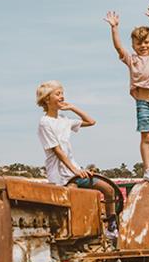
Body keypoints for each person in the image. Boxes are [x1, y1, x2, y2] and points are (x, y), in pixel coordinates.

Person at [36, 81, 117, 231]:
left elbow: (91, 121)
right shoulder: (45, 123)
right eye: (57, 94)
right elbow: (57, 151)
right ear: (47, 99)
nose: (62, 96)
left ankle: (111, 226)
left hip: (75, 171)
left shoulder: (65, 120)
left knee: (109, 189)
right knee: (74, 202)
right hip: (61, 174)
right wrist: (75, 170)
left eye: (62, 93)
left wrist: (73, 107)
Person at [104, 4, 149, 182]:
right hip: (143, 103)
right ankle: (148, 169)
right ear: (133, 45)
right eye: (138, 43)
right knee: (147, 136)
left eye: (146, 42)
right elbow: (118, 48)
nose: (143, 46)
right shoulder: (132, 59)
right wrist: (114, 28)